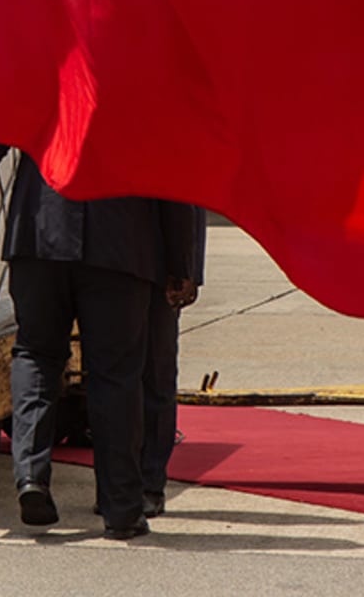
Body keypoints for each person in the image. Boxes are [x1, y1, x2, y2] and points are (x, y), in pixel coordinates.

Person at [0, 141, 200, 540]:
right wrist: (179, 259)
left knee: (36, 354)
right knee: (116, 375)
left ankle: (31, 476)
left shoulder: (38, 73)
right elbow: (170, 159)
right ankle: (121, 508)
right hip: (121, 241)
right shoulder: (147, 78)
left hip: (40, 229)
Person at [141, 205, 206, 518]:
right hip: (117, 259)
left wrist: (186, 269)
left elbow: (189, 197)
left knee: (153, 375)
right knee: (128, 376)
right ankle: (124, 485)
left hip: (157, 259)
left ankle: (146, 483)